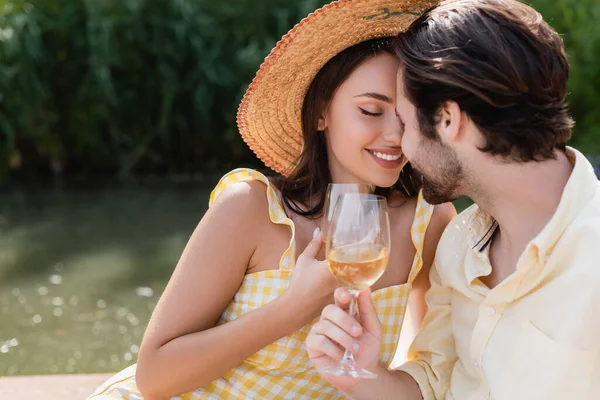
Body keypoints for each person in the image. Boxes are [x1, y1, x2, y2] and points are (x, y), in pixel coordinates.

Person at [87, 0, 454, 398]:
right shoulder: (250, 208)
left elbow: (425, 369)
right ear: (320, 113)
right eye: (370, 110)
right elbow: (154, 377)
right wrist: (295, 306)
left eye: (406, 115)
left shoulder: (426, 223)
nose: (394, 135)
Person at [307, 0, 600, 399]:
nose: (403, 147)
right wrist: (359, 373)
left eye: (406, 123)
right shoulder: (458, 245)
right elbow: (430, 386)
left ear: (448, 120)